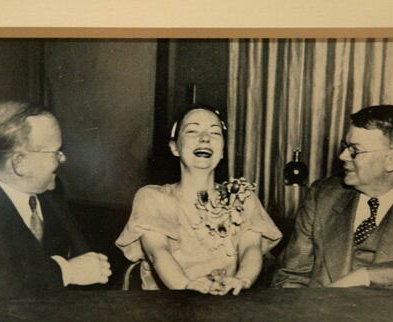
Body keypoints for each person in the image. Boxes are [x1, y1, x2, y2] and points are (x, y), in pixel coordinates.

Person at [272, 105, 393, 294]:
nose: (342, 156)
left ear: (392, 159)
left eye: (354, 150)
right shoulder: (323, 195)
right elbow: (290, 277)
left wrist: (367, 277)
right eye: (344, 146)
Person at [116, 105, 282, 295]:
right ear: (174, 147)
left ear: (222, 151)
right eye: (193, 131)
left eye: (215, 133)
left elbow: (250, 248)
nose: (205, 138)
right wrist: (186, 286)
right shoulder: (153, 198)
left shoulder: (242, 197)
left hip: (224, 304)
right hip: (168, 305)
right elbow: (158, 252)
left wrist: (242, 280)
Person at [0, 101, 111, 299]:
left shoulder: (52, 196)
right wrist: (67, 272)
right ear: (19, 163)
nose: (62, 159)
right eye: (55, 152)